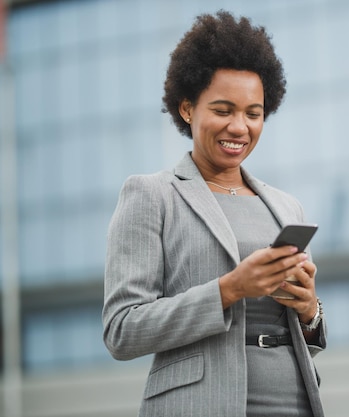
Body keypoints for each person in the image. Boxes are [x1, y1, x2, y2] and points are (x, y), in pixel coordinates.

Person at [102, 11, 326, 417]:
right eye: (223, 110)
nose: (239, 127)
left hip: (294, 402)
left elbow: (302, 334)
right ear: (187, 109)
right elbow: (122, 330)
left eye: (253, 113)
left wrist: (310, 310)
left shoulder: (285, 205)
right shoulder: (152, 196)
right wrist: (229, 289)